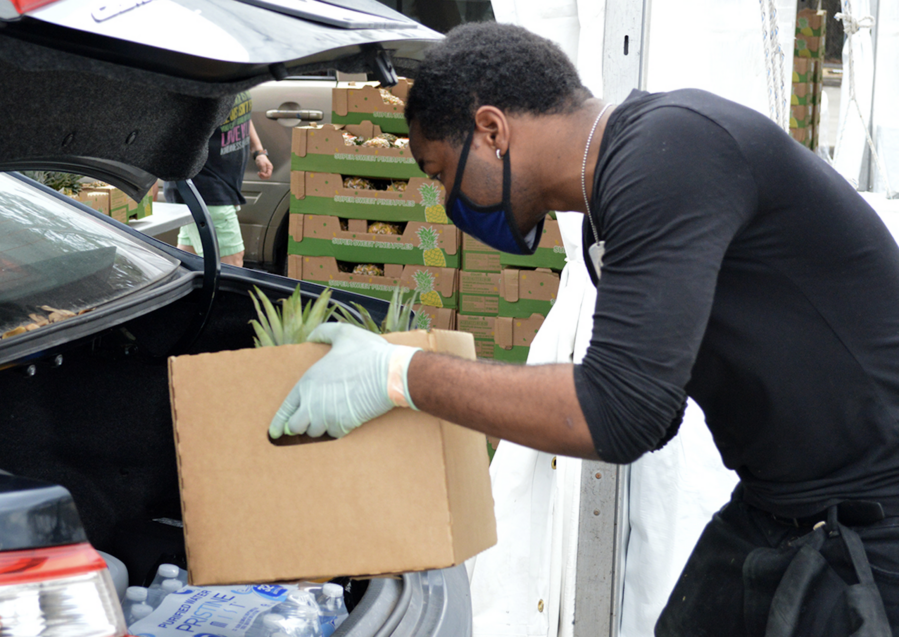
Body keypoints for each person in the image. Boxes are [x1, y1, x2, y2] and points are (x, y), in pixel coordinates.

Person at [268, 23, 899, 635]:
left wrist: (399, 375)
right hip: (783, 502)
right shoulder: (609, 213)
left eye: (439, 173)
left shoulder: (671, 153)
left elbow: (618, 414)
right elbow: (655, 412)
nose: (443, 202)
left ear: (491, 131)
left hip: (877, 515)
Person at [164, 90, 272, 267]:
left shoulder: (234, 75)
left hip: (219, 185)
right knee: (232, 263)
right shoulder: (204, 80)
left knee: (188, 263)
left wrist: (258, 151)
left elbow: (241, 115)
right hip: (204, 188)